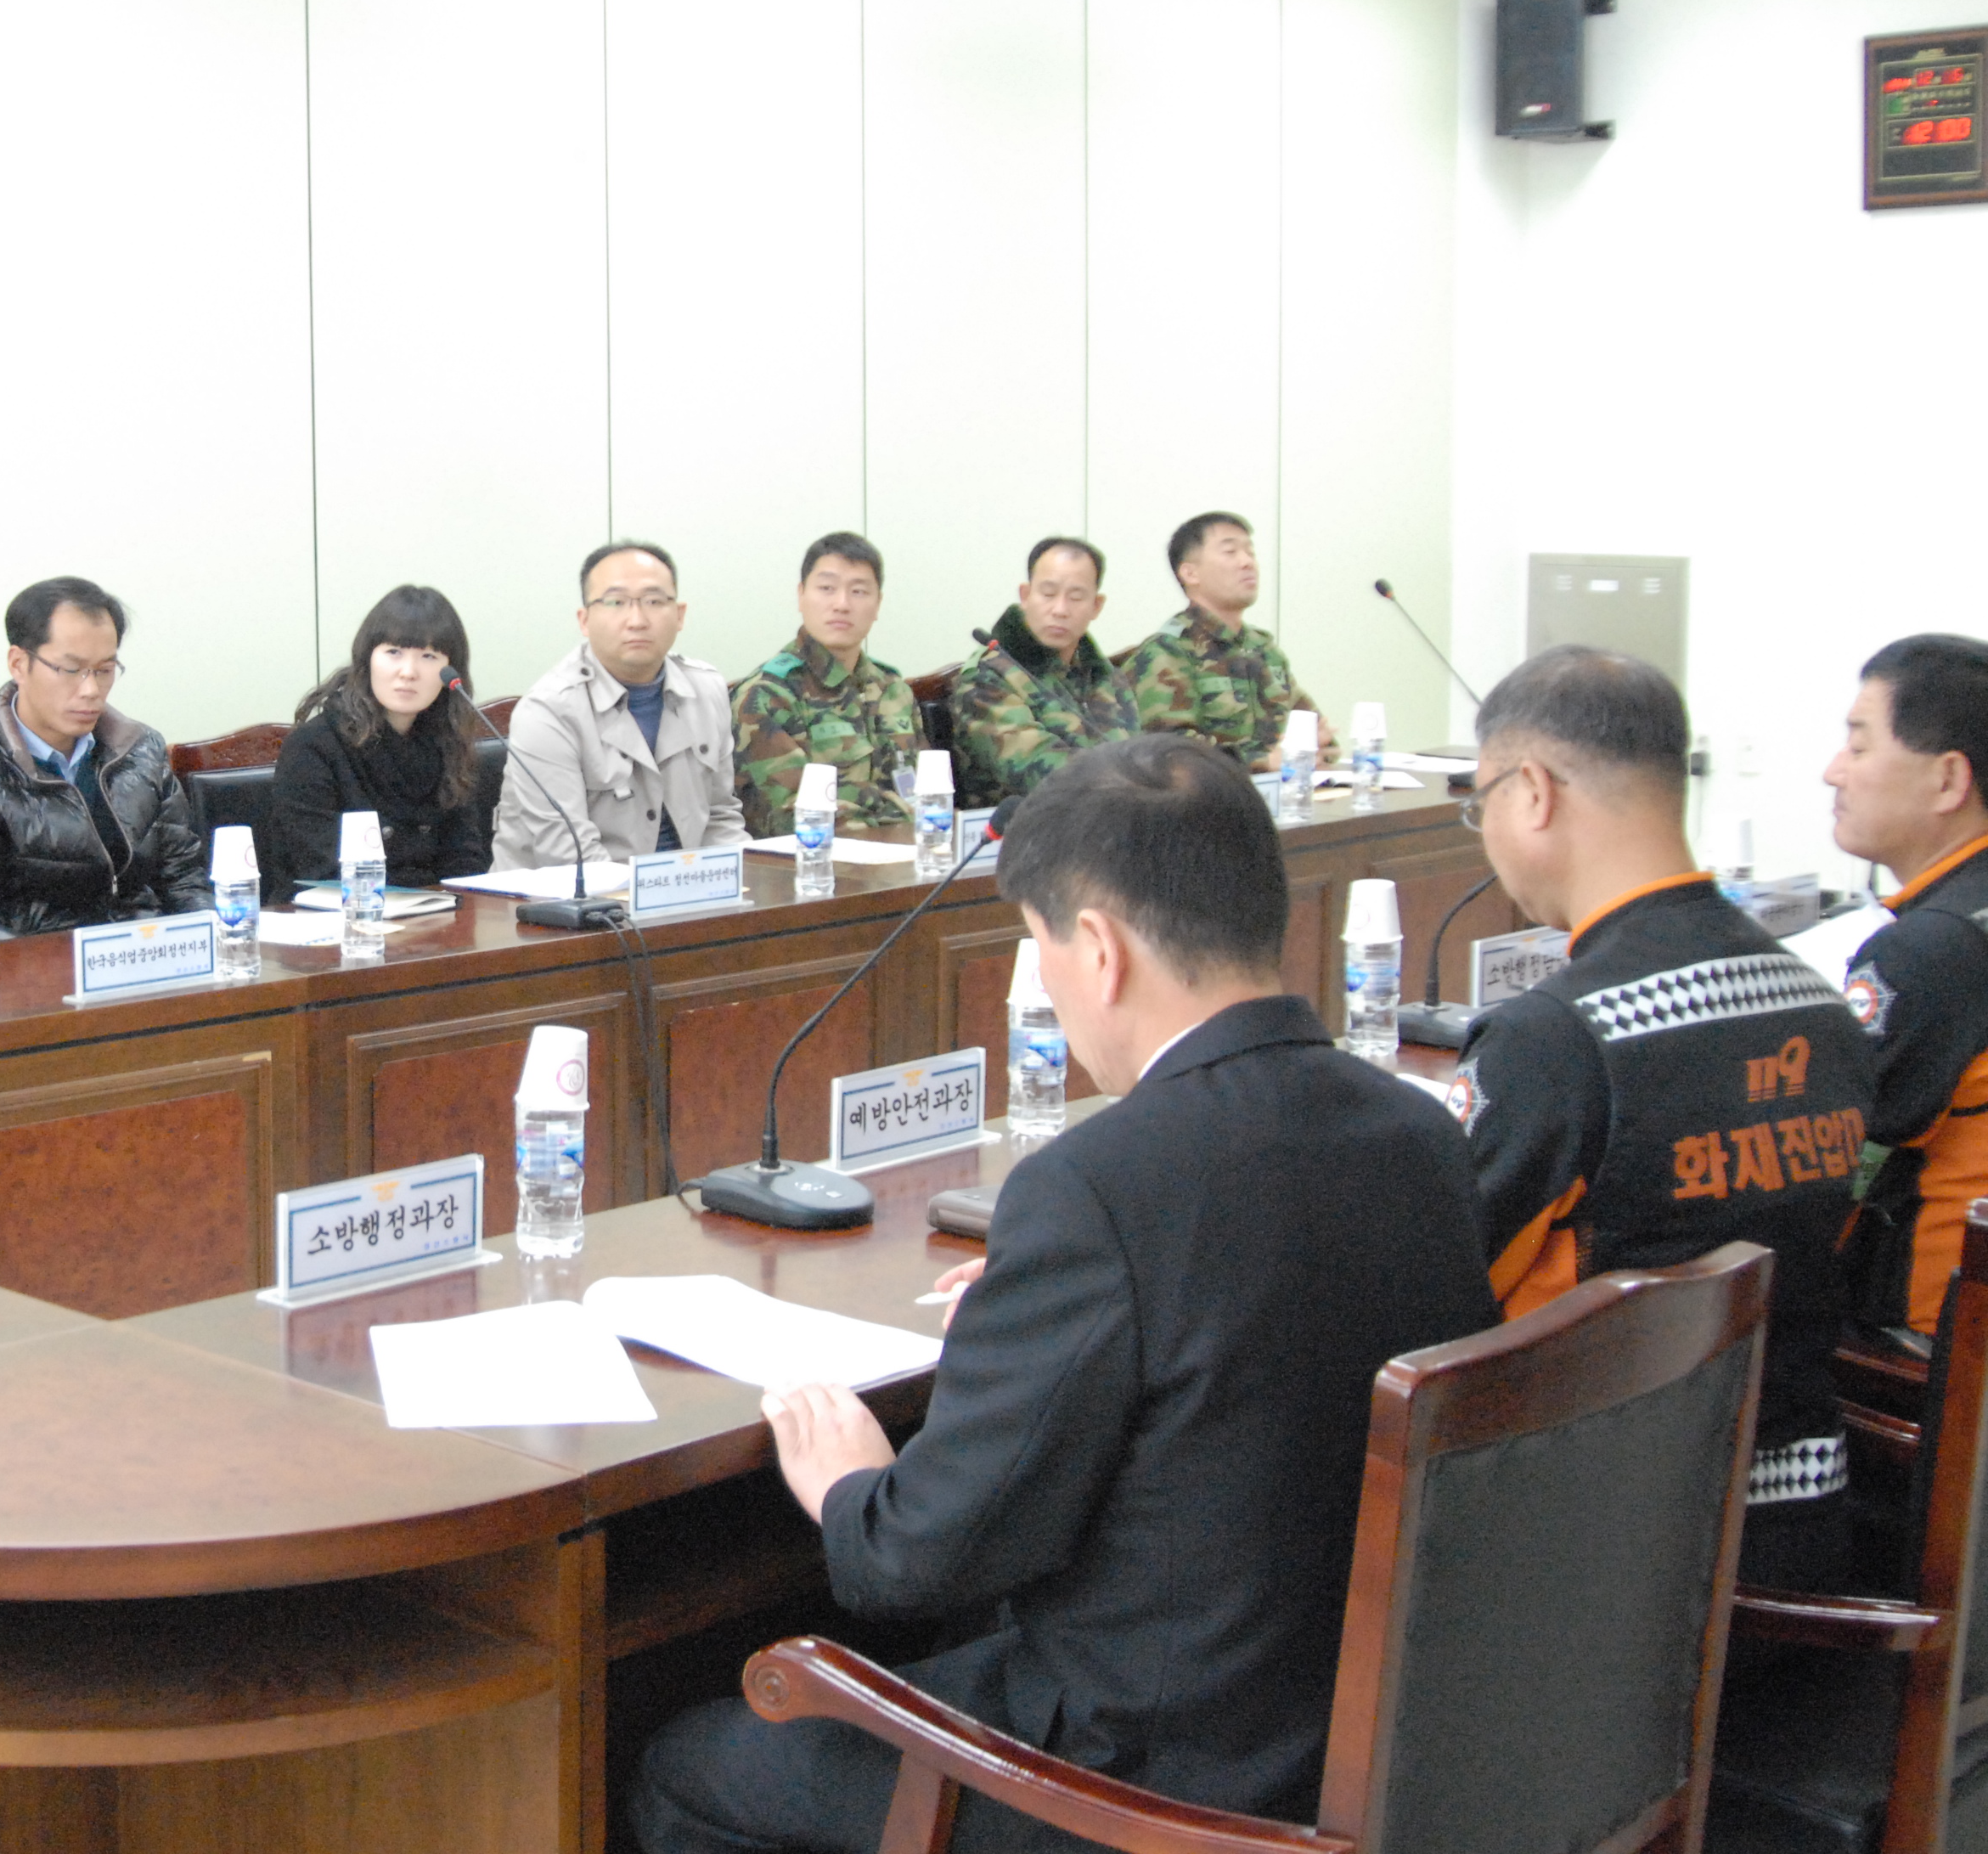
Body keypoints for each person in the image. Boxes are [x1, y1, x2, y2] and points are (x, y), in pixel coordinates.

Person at [629, 735, 1495, 1854]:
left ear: (1097, 949)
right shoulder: (1418, 1132)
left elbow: (911, 1562)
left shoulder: (1097, 1189)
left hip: (1148, 1783)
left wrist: (846, 1485)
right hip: (1367, 1737)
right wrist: (1054, 1305)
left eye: (1037, 947)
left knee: (686, 1765)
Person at [1449, 645, 1863, 1588]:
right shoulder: (1823, 1007)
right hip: (1798, 1528)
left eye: (1481, 803)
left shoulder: (1559, 1040)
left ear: (1533, 792)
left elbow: (1441, 1286)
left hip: (1601, 1560)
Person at [1827, 635, 1988, 1339]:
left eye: (1859, 745)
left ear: (1949, 781)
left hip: (1928, 1349)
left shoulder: (1930, 951)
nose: (1833, 772)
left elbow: (1833, 1148)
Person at [0, 575, 211, 938]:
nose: (91, 690)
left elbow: (185, 882)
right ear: (18, 663)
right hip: (37, 967)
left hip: (147, 955)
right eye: (71, 670)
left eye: (104, 670)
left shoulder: (141, 751)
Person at [493, 540, 748, 869]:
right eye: (616, 602)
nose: (637, 620)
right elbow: (569, 855)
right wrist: (658, 892)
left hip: (684, 890)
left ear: (680, 615)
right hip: (559, 895)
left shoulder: (706, 689)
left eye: (654, 601)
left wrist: (737, 882)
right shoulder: (548, 712)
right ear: (584, 620)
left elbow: (721, 818)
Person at [266, 584, 498, 901]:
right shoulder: (313, 747)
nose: (409, 672)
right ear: (367, 659)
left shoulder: (448, 744)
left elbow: (465, 864)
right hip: (332, 917)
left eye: (428, 656)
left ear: (450, 672)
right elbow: (320, 871)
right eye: (394, 653)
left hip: (434, 917)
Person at [733, 531, 926, 840]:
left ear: (878, 604)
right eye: (827, 588)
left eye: (859, 591)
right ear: (801, 595)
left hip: (909, 854)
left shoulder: (894, 691)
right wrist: (907, 818)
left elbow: (928, 791)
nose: (842, 604)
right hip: (810, 862)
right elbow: (799, 815)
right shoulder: (768, 696)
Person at [1120, 511, 1333, 768]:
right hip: (1210, 793)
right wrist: (1263, 762)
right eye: (1230, 552)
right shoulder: (1168, 652)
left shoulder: (1263, 649)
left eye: (1250, 552)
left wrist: (1319, 747)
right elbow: (1171, 752)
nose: (1247, 562)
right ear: (1190, 573)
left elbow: (1316, 732)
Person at [947, 537, 1134, 802]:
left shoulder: (1105, 676)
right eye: (1048, 594)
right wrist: (1137, 783)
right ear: (1025, 596)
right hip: (1027, 822)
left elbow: (1140, 752)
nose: (1060, 610)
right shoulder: (988, 677)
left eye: (1076, 597)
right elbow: (1038, 768)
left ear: (1096, 606)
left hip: (1115, 814)